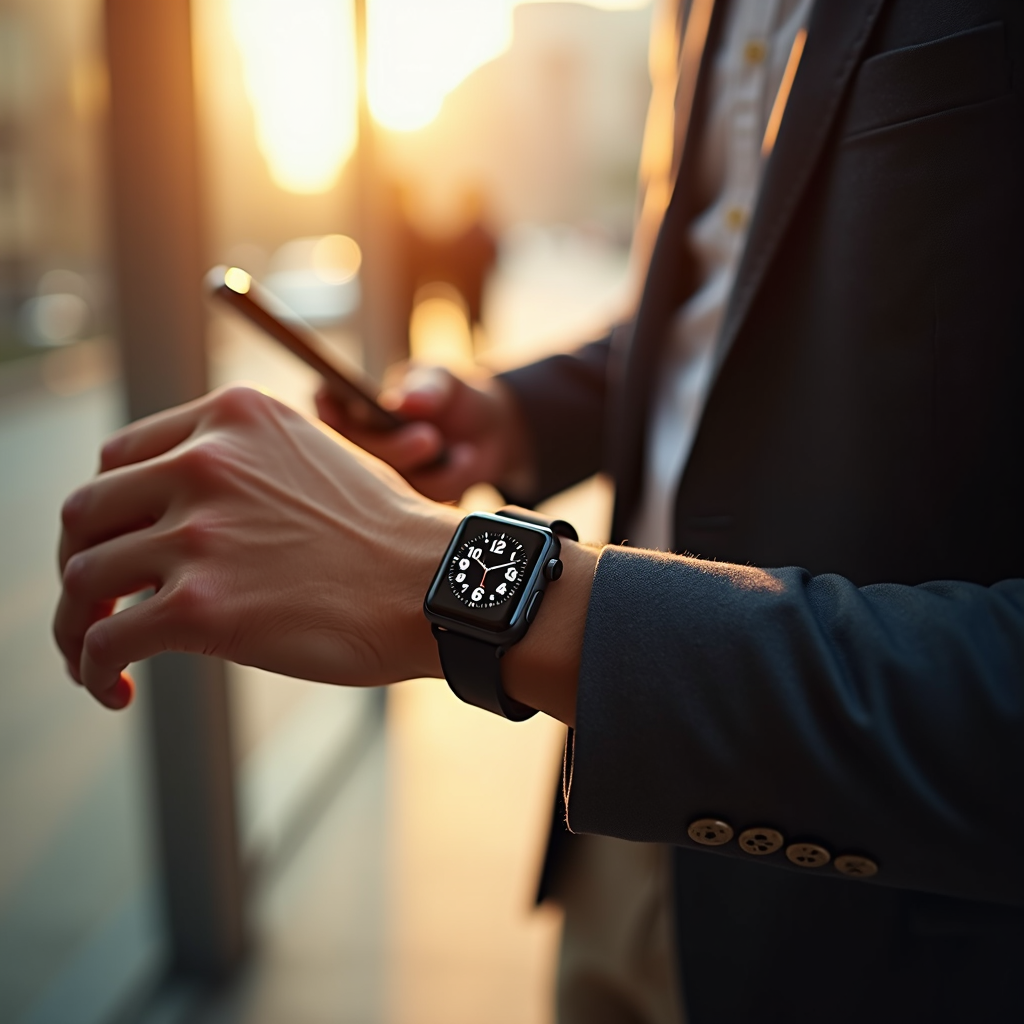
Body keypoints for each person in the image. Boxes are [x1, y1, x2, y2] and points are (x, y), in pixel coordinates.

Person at [54, 1, 1023, 1022]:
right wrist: (515, 415)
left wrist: (451, 580)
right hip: (619, 821)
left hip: (887, 923)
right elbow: (724, 306)